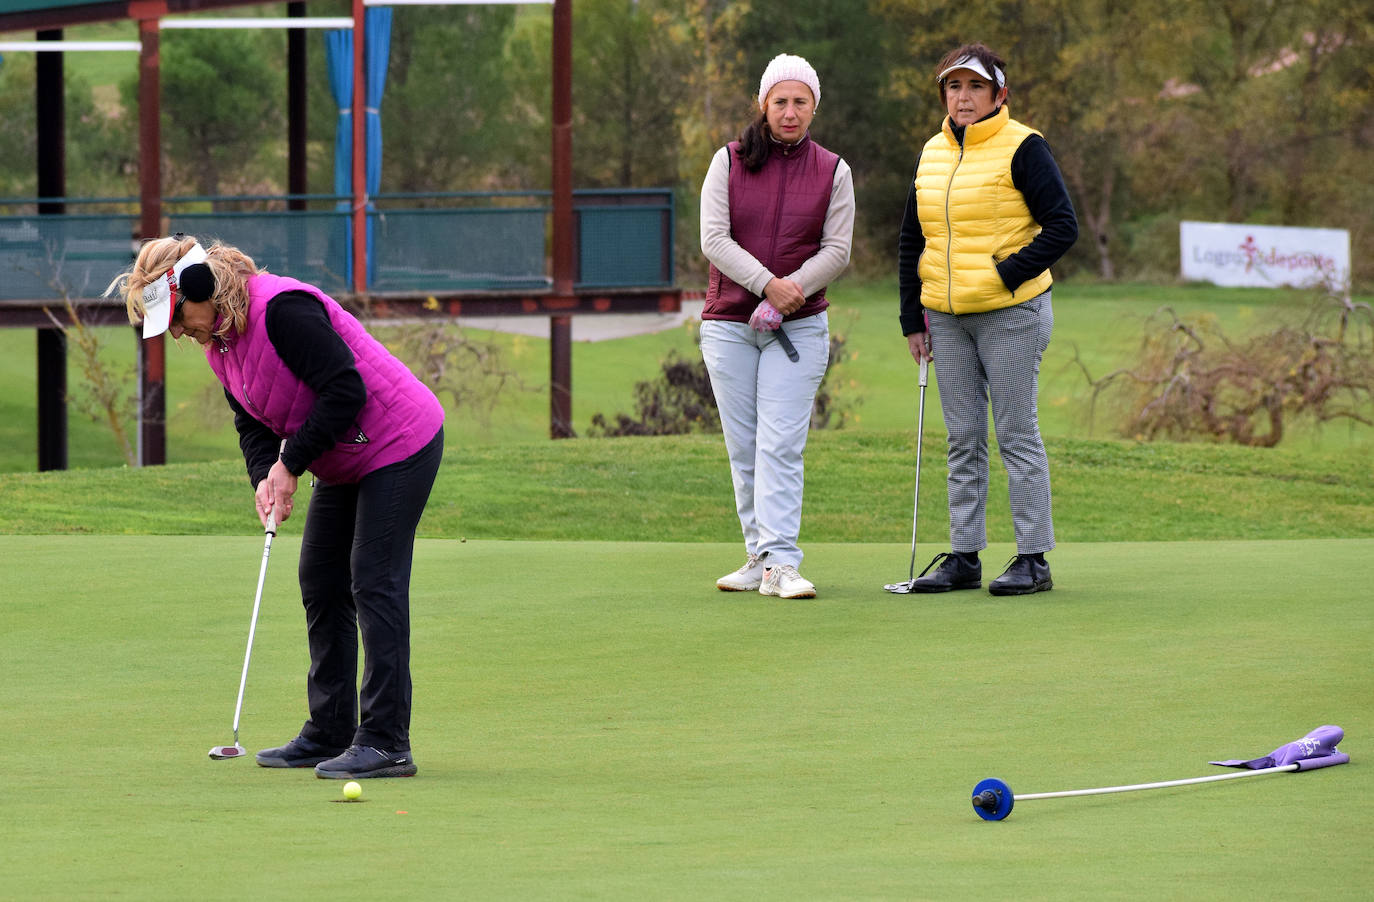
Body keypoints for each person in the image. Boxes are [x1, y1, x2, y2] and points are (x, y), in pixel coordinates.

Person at [109, 236, 445, 778]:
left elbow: (345, 390)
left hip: (400, 441)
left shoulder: (282, 310)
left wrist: (291, 465)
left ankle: (386, 741)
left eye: (176, 315)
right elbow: (252, 421)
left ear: (201, 288)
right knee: (319, 579)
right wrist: (265, 476)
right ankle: (331, 731)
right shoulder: (219, 343)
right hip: (341, 455)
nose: (176, 330)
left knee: (373, 579)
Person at [898, 43, 1078, 596]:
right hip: (946, 318)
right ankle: (965, 556)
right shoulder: (931, 152)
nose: (963, 97)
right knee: (964, 438)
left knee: (1017, 434)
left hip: (1012, 312)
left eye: (975, 87)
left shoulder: (1024, 146)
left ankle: (1032, 558)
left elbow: (1061, 226)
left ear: (999, 93)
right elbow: (913, 238)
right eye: (954, 87)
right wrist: (912, 317)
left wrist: (1006, 275)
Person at [699, 53, 854, 599]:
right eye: (780, 101)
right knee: (745, 448)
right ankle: (758, 557)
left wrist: (793, 292)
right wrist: (768, 284)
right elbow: (714, 239)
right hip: (730, 325)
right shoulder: (729, 161)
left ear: (814, 107)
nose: (790, 112)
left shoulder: (833, 169)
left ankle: (782, 563)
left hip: (800, 329)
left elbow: (837, 250)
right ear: (763, 104)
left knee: (780, 445)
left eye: (800, 102)